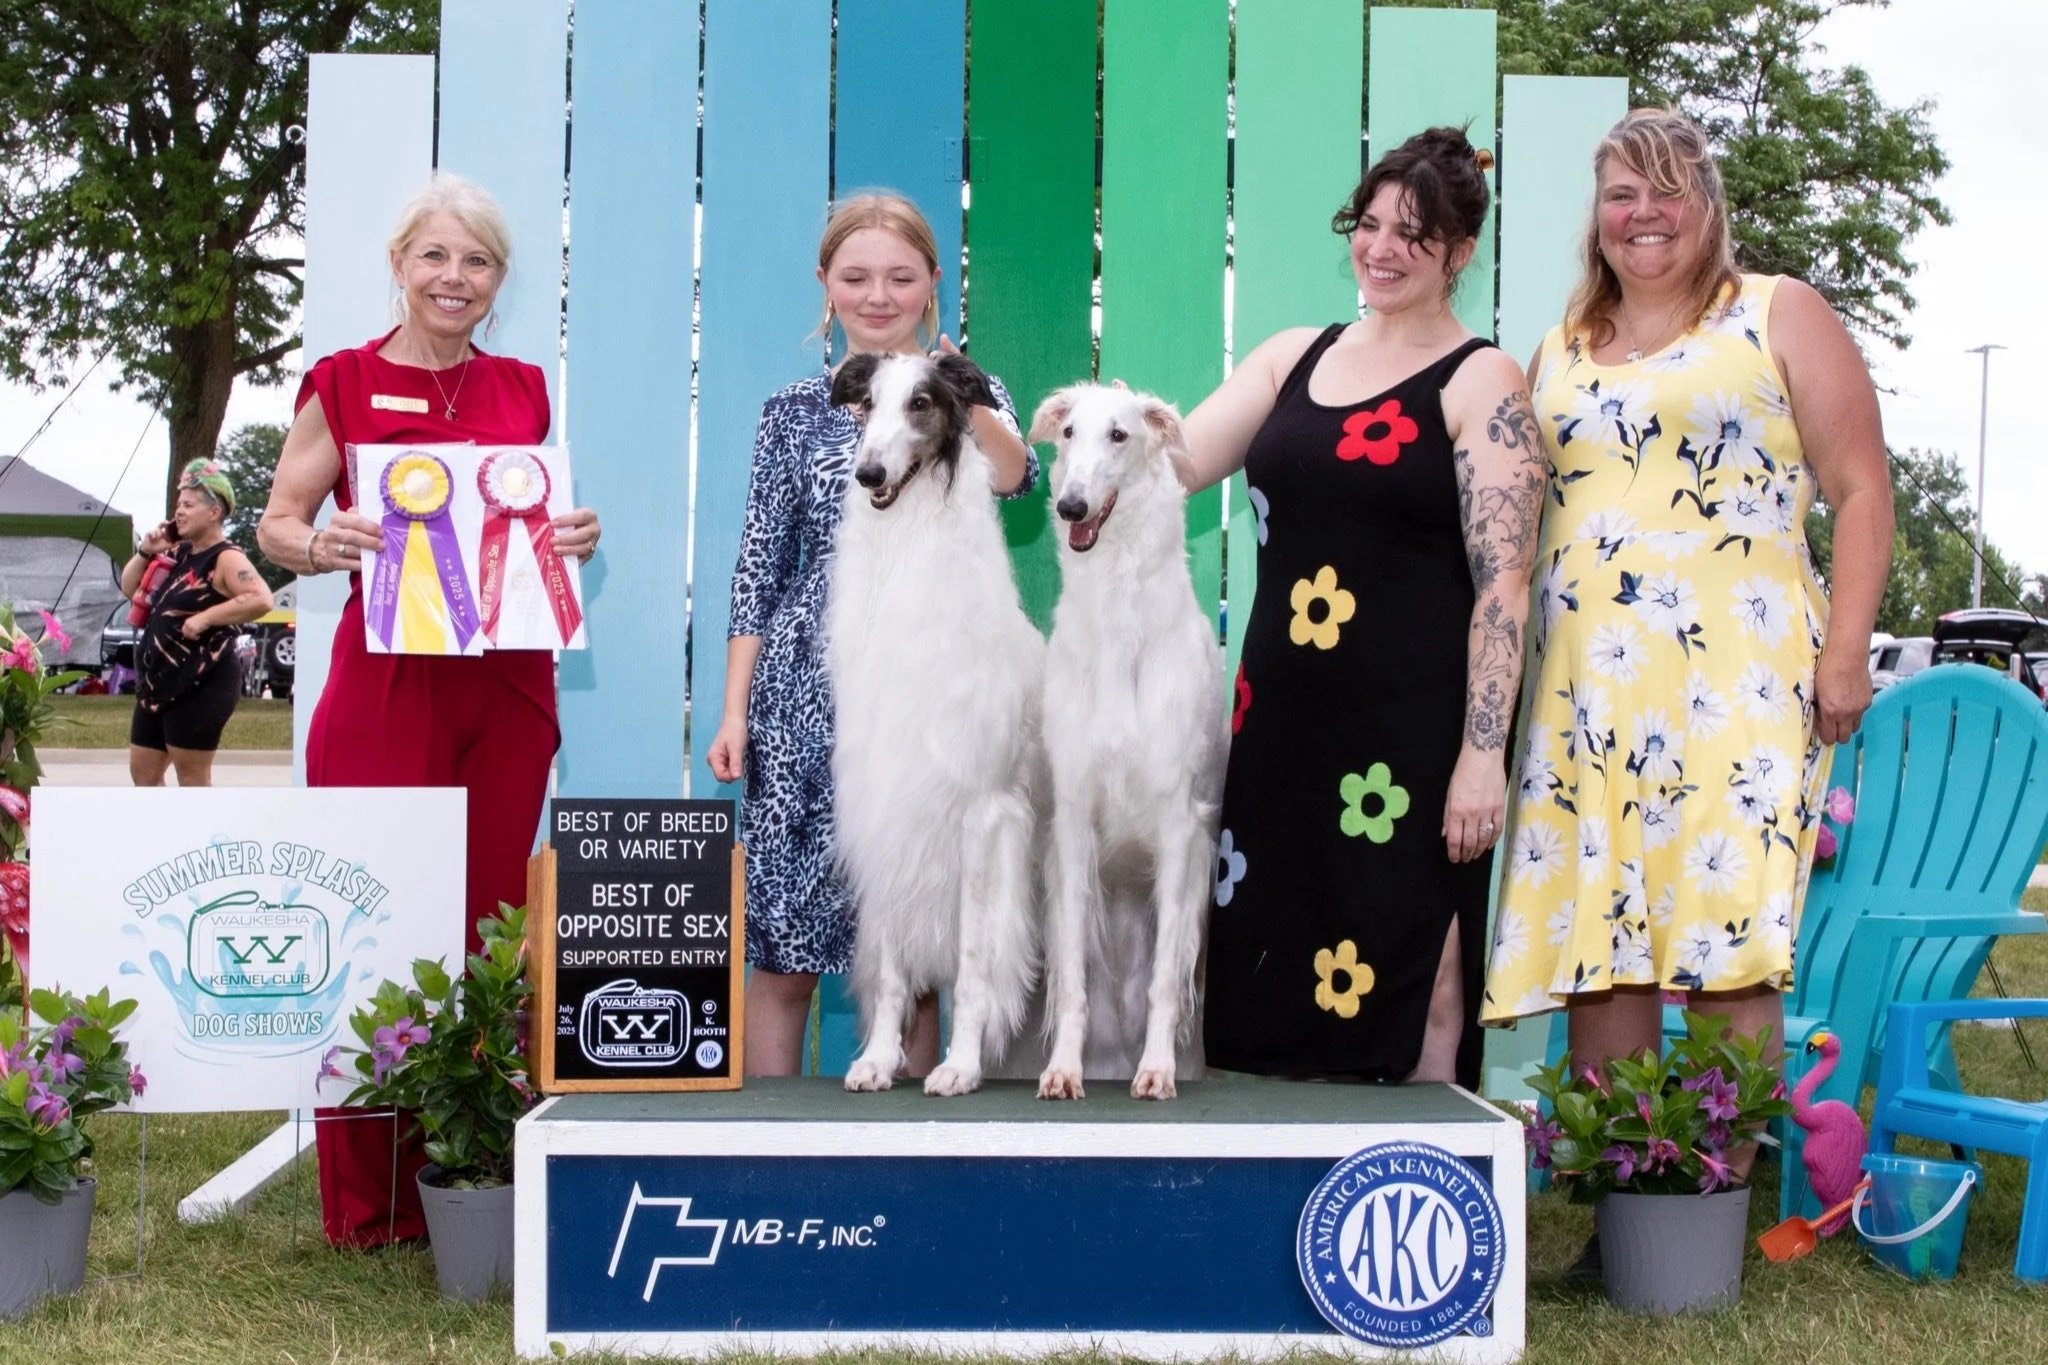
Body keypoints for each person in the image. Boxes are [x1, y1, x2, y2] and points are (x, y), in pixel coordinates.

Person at [1480, 109, 1894, 1097]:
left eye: (1667, 189)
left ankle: (1707, 1186)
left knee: (1725, 934)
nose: (1643, 213)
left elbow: (1861, 489)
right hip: (1587, 696)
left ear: (1705, 206)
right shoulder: (1560, 347)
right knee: (1602, 941)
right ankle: (1624, 1191)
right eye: (1621, 194)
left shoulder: (1775, 311)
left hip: (1736, 684)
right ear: (1597, 219)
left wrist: (1843, 656)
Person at [256, 172, 600, 1246]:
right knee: (372, 921)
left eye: (478, 262)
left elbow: (528, 523)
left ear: (499, 280)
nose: (455, 279)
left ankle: (473, 1173)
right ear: (401, 264)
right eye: (436, 257)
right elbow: (275, 520)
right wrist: (323, 545)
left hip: (506, 687)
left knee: (490, 925)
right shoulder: (345, 380)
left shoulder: (523, 387)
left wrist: (571, 539)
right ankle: (371, 1201)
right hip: (386, 684)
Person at [1179, 128, 1542, 1087]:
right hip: (1280, 735)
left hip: (1414, 746)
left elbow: (1506, 583)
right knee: (1263, 971)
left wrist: (1481, 753)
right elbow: (1169, 463)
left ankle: (1426, 1193)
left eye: (1413, 234)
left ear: (1460, 253)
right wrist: (996, 423)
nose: (1381, 249)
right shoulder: (1291, 356)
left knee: (1417, 978)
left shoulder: (1484, 381)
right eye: (1370, 224)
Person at [706, 192, 1037, 1078]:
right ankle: (770, 1146)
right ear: (826, 286)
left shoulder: (964, 390)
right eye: (856, 277)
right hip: (804, 705)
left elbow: (1017, 477)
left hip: (923, 696)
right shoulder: (792, 411)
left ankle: (907, 1161)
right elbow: (756, 572)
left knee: (915, 950)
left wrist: (960, 391)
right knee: (781, 955)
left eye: (899, 277)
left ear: (933, 284)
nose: (877, 295)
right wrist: (735, 712)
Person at [121, 459, 274, 786]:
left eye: (189, 505)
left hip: (201, 678)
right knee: (143, 773)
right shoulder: (176, 553)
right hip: (157, 681)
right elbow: (129, 587)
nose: (179, 512)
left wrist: (206, 618)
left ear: (214, 512)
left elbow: (261, 598)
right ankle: (161, 837)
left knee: (191, 777)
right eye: (179, 505)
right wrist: (146, 552)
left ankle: (201, 838)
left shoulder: (226, 557)